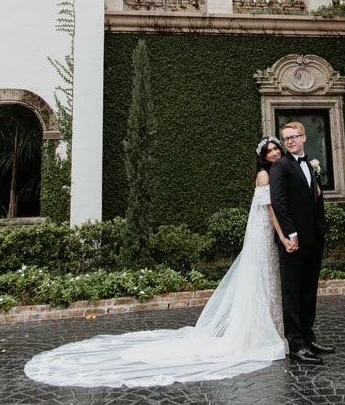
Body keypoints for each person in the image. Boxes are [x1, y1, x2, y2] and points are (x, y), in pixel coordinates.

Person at [24, 137, 289, 389]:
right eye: (270, 151)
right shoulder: (265, 175)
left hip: (266, 232)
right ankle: (255, 333)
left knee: (267, 276)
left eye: (276, 149)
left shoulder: (276, 172)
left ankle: (269, 328)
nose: (275, 153)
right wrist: (281, 233)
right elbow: (270, 209)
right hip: (264, 231)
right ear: (262, 157)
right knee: (260, 275)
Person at [269, 121, 335, 364]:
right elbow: (279, 203)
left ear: (304, 138)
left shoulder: (311, 164)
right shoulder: (280, 166)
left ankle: (308, 337)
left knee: (308, 291)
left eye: (294, 137)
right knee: (292, 292)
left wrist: (321, 231)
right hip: (293, 242)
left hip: (313, 239)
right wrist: (291, 234)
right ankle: (296, 344)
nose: (289, 141)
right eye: (286, 138)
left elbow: (316, 201)